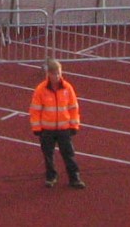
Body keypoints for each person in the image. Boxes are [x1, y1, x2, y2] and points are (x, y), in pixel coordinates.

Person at [30, 59, 85, 189]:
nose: (57, 76)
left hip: (64, 128)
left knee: (69, 154)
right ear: (48, 74)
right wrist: (36, 128)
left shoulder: (67, 88)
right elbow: (35, 110)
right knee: (48, 155)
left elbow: (73, 107)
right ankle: (51, 177)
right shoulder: (41, 90)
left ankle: (74, 178)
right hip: (47, 129)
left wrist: (74, 125)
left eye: (59, 73)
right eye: (55, 74)